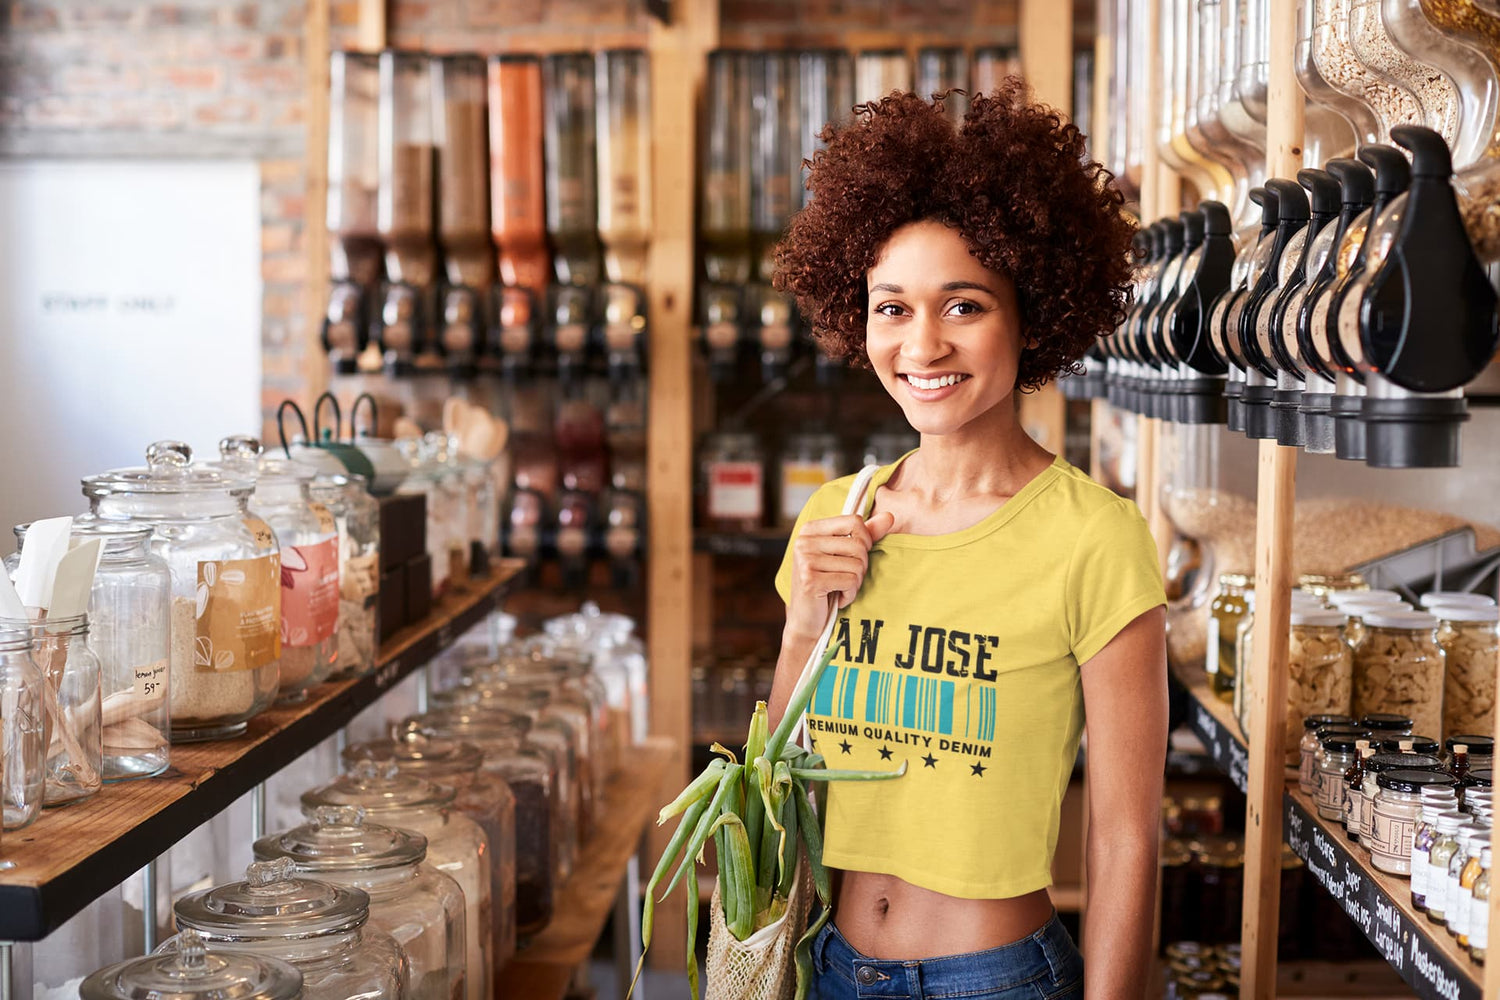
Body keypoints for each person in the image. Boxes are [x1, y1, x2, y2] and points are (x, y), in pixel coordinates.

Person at [769, 82, 1167, 1000]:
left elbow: (1124, 834)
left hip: (996, 980)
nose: (922, 346)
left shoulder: (1095, 536)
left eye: (963, 306)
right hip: (832, 966)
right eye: (891, 307)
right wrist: (802, 630)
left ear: (1033, 314)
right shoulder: (839, 512)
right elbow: (775, 783)